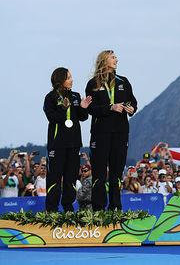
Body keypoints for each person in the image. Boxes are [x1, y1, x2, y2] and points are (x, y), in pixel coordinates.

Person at [85, 50, 137, 210]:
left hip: (120, 132)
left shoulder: (124, 81)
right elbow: (91, 108)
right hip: (100, 133)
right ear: (104, 60)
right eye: (113, 57)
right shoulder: (93, 84)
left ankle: (116, 207)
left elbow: (133, 102)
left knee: (116, 173)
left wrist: (131, 108)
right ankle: (98, 208)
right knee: (99, 173)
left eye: (116, 57)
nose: (116, 59)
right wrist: (110, 107)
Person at [43, 67, 91, 211]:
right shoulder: (50, 97)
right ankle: (51, 210)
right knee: (55, 179)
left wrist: (83, 108)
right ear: (60, 80)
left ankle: (68, 208)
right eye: (69, 77)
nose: (72, 80)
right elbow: (52, 118)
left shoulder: (76, 96)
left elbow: (82, 117)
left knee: (71, 179)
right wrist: (63, 108)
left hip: (74, 144)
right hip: (57, 145)